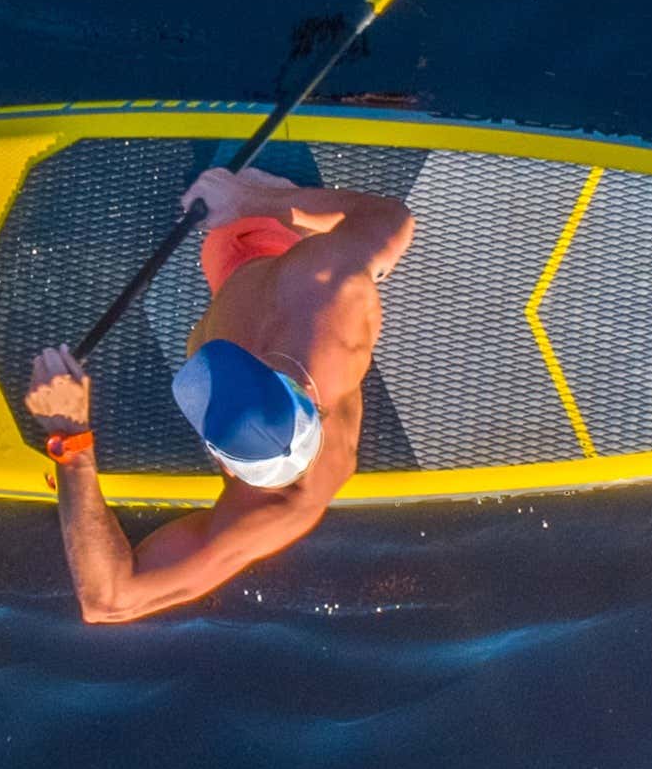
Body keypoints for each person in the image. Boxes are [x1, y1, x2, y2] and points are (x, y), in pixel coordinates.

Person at [22, 166, 417, 623]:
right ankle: (274, 192)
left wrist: (72, 443)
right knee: (242, 181)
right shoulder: (325, 295)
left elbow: (109, 601)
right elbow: (392, 217)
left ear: (228, 466)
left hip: (235, 275)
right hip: (281, 240)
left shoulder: (272, 512)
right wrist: (253, 199)